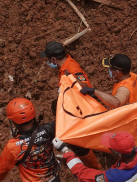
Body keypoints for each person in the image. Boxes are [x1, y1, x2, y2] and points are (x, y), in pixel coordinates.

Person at [41, 40, 101, 169]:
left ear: (53, 59)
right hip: (75, 106)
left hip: (82, 109)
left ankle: (94, 167)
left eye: (48, 59)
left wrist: (71, 85)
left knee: (76, 140)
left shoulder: (71, 69)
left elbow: (85, 87)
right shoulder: (64, 67)